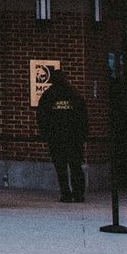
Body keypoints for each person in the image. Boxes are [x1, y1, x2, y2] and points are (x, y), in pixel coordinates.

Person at [36, 66, 90, 203]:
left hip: (56, 138)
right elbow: (83, 117)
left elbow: (41, 117)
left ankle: (66, 194)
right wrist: (82, 135)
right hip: (74, 138)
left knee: (61, 168)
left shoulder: (48, 95)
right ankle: (78, 194)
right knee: (76, 167)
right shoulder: (74, 95)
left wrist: (46, 134)